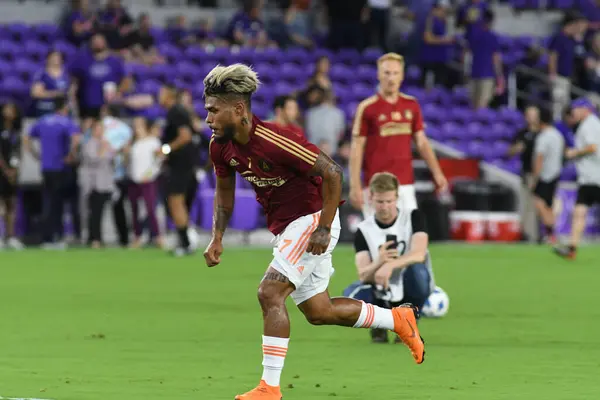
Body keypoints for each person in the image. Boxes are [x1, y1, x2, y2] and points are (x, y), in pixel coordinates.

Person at [202, 64, 425, 400]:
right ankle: (397, 319)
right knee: (319, 311)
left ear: (238, 109)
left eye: (213, 111)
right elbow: (224, 192)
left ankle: (269, 388)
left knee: (269, 293)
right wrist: (217, 236)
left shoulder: (276, 140)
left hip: (312, 218)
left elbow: (333, 172)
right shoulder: (220, 146)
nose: (208, 119)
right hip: (287, 226)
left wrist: (323, 226)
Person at [349, 52, 447, 217]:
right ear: (379, 75)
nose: (391, 78)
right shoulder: (367, 108)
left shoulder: (412, 105)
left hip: (405, 184)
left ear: (402, 76)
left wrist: (437, 172)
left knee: (410, 237)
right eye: (387, 73)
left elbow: (422, 142)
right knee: (378, 239)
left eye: (395, 73)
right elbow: (357, 147)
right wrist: (354, 185)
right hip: (375, 184)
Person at [343, 172, 435, 343]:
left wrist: (390, 266)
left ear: (397, 198)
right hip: (380, 289)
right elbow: (363, 275)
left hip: (408, 285)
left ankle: (409, 321)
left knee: (418, 272)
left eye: (389, 201)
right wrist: (379, 262)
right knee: (351, 296)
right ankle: (378, 323)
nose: (385, 207)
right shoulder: (363, 230)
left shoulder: (413, 217)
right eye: (380, 202)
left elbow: (419, 253)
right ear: (371, 198)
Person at [23, 97, 81, 249]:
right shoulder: (66, 122)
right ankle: (56, 236)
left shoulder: (42, 121)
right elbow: (75, 139)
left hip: (46, 167)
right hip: (61, 167)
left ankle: (47, 236)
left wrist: (35, 154)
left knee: (48, 201)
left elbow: (26, 138)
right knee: (59, 203)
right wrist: (71, 154)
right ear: (63, 108)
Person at [554, 98, 600, 260]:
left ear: (585, 109)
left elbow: (592, 147)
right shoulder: (589, 124)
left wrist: (574, 152)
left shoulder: (590, 124)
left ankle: (572, 248)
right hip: (588, 177)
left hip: (595, 177)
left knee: (579, 212)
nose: (573, 112)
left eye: (576, 109)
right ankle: (572, 248)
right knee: (579, 211)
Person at [159, 84, 196, 256]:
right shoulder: (178, 111)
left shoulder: (175, 112)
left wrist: (166, 149)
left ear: (169, 95)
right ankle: (184, 240)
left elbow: (185, 136)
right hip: (183, 163)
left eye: (162, 93)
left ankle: (185, 242)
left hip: (180, 164)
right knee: (176, 202)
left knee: (176, 201)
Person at [127, 117, 163, 248]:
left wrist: (149, 175)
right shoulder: (133, 143)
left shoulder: (153, 142)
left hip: (148, 180)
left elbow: (158, 162)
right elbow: (130, 162)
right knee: (134, 209)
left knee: (150, 208)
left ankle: (157, 236)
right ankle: (137, 236)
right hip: (134, 179)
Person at [79, 119, 116, 248]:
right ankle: (94, 238)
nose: (100, 131)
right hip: (94, 183)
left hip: (106, 183)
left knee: (102, 212)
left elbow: (112, 160)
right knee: (94, 212)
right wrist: (102, 149)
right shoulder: (89, 143)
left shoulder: (107, 143)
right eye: (97, 129)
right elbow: (93, 159)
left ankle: (98, 237)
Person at [530, 107, 564, 244]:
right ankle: (551, 234)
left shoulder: (543, 137)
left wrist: (535, 177)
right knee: (548, 205)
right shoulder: (558, 135)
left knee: (539, 203)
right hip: (555, 173)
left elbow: (539, 158)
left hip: (545, 175)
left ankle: (550, 232)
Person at [507, 105, 540, 242]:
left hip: (541, 173)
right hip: (527, 173)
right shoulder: (522, 133)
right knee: (527, 204)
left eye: (534, 115)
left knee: (539, 206)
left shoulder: (542, 133)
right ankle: (529, 234)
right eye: (529, 115)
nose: (531, 118)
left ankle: (541, 233)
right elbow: (509, 152)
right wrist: (517, 148)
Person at [0, 102, 24, 250]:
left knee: (11, 204)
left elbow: (17, 152)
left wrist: (14, 169)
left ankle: (11, 236)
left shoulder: (16, 131)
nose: (9, 112)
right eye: (7, 109)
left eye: (12, 110)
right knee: (1, 205)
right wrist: (5, 169)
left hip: (13, 173)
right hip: (1, 171)